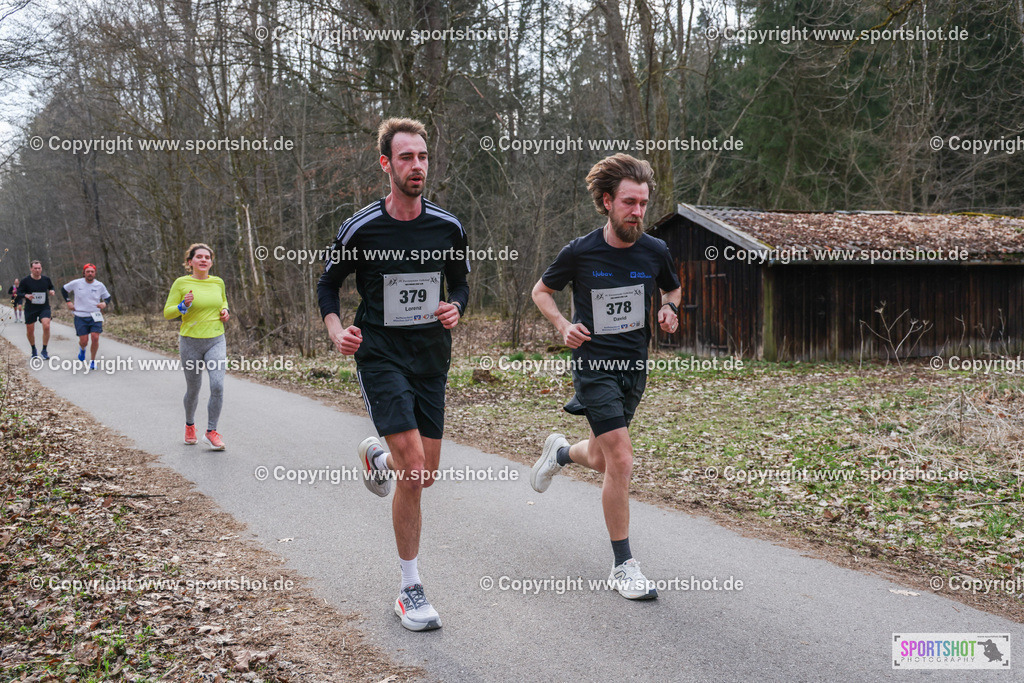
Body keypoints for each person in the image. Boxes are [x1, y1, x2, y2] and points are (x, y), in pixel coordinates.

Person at [317, 117, 469, 632]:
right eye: (406, 158)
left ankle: (374, 456)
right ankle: (410, 587)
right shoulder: (362, 227)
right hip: (380, 353)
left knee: (423, 475)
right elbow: (328, 286)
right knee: (413, 464)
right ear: (386, 164)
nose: (417, 166)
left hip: (431, 357)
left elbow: (463, 285)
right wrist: (338, 330)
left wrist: (456, 308)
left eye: (423, 157)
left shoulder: (448, 227)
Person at [530, 153, 682, 600]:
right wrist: (563, 326)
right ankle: (623, 565)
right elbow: (541, 291)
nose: (638, 212)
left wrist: (669, 307)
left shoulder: (655, 251)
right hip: (594, 367)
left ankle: (559, 454)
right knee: (622, 459)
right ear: (606, 202)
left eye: (643, 203)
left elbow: (672, 286)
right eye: (629, 202)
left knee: (601, 457)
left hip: (634, 369)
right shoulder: (580, 252)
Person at [163, 243, 230, 450]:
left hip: (216, 340)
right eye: (199, 257)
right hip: (190, 342)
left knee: (217, 386)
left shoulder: (218, 282)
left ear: (211, 262)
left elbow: (223, 302)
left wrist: (225, 311)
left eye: (207, 257)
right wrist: (183, 306)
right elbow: (168, 312)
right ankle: (190, 425)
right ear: (190, 262)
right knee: (194, 389)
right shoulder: (181, 283)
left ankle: (211, 431)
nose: (203, 260)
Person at [62, 264, 111, 370]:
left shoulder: (99, 285)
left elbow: (107, 297)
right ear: (84, 273)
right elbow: (64, 289)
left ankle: (93, 361)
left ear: (95, 273)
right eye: (88, 271)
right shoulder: (76, 283)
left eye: (92, 272)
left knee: (95, 337)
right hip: (80, 315)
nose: (90, 274)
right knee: (84, 341)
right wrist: (68, 302)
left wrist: (104, 304)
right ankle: (82, 350)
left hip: (95, 314)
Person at [19, 261, 56, 358]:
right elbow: (19, 293)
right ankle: (33, 349)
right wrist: (26, 295)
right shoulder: (25, 281)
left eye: (39, 268)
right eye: (35, 268)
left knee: (46, 326)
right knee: (30, 329)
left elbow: (51, 286)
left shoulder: (46, 279)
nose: (37, 270)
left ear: (41, 269)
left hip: (44, 307)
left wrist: (52, 290)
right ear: (31, 269)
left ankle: (44, 350)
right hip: (30, 308)